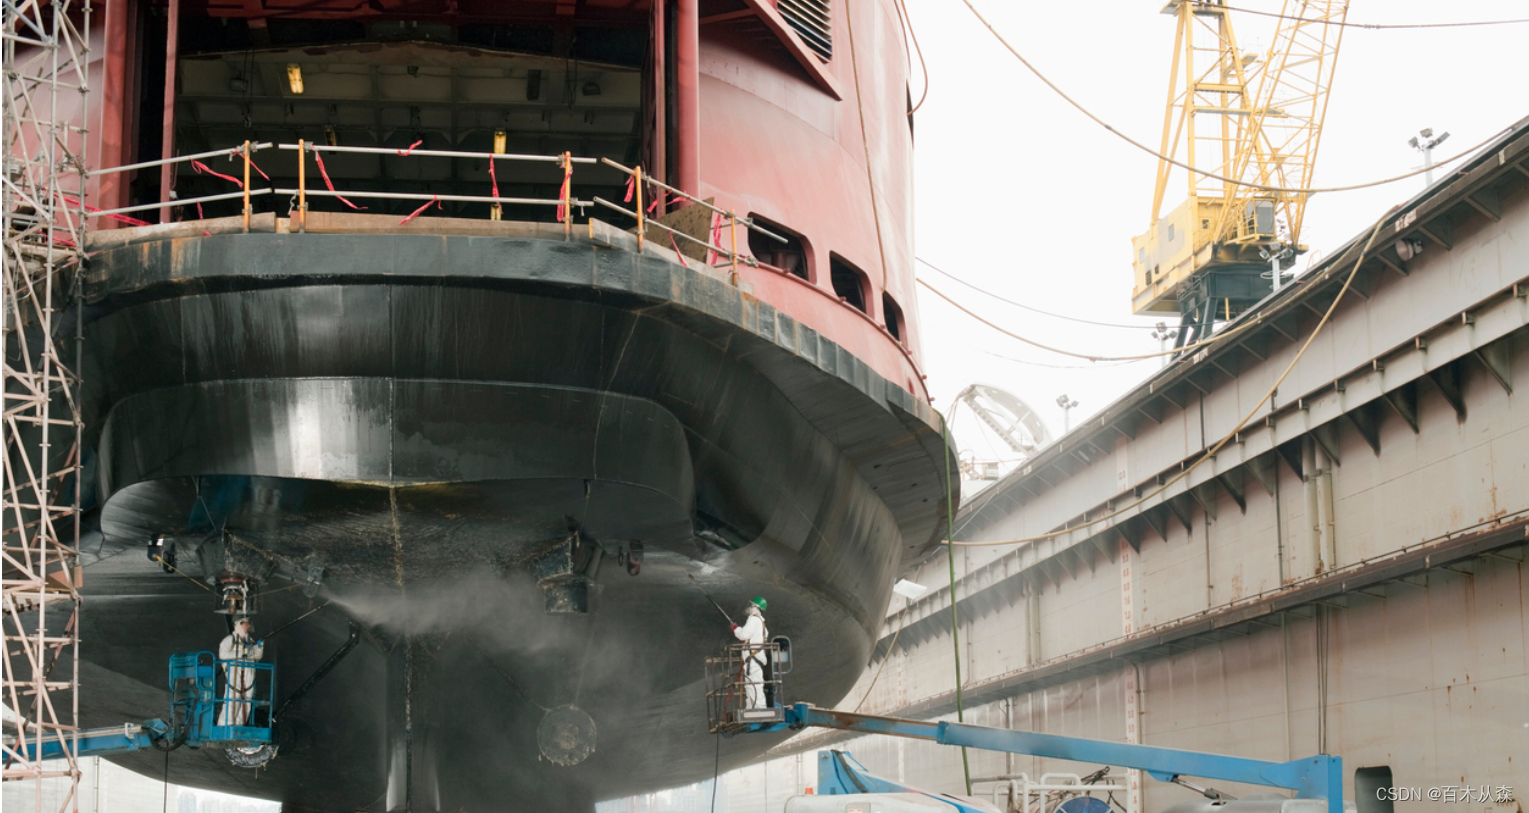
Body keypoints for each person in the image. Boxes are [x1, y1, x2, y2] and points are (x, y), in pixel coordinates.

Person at [217, 617, 265, 727]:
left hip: (248, 672)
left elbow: (257, 657)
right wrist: (240, 653)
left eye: (248, 624)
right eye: (244, 624)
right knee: (233, 700)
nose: (247, 626)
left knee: (247, 700)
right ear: (238, 625)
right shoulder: (229, 640)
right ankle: (225, 726)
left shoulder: (250, 641)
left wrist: (259, 648)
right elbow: (223, 655)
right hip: (234, 672)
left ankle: (239, 726)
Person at [730, 597, 769, 709]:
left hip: (753, 658)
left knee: (754, 684)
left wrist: (736, 629)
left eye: (752, 606)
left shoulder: (753, 619)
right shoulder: (762, 623)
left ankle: (759, 709)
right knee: (751, 684)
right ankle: (751, 708)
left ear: (756, 608)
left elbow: (744, 635)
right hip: (755, 657)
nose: (750, 608)